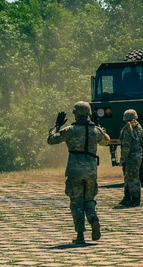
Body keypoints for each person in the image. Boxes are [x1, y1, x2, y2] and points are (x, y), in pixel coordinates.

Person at [47, 101, 110, 243]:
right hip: (91, 171)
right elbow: (106, 141)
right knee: (89, 199)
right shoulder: (95, 130)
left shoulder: (71, 130)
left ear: (76, 114)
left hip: (75, 171)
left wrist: (56, 126)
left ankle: (80, 235)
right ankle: (93, 219)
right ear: (88, 114)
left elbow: (51, 140)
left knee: (76, 203)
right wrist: (98, 126)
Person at [118, 109, 143, 207]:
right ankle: (127, 198)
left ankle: (135, 199)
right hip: (137, 154)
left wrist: (122, 159)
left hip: (131, 156)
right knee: (129, 176)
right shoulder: (139, 127)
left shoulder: (128, 129)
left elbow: (126, 146)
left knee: (132, 178)